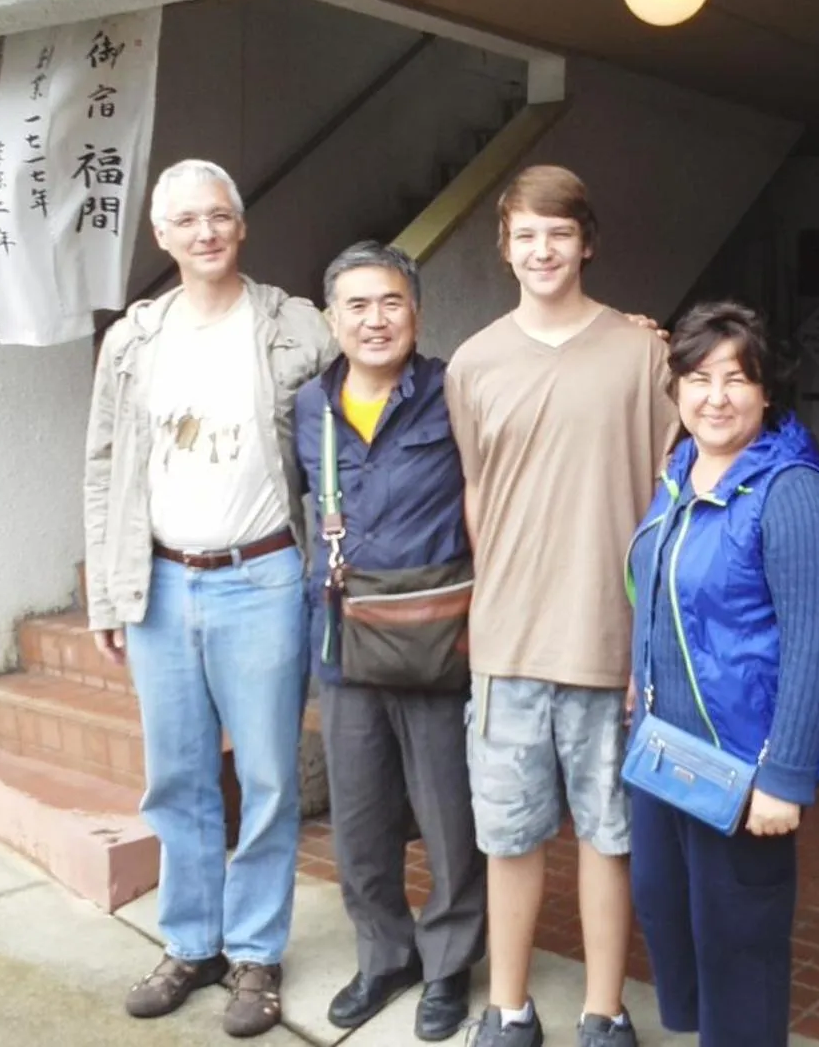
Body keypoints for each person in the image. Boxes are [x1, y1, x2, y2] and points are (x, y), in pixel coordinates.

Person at [83, 158, 337, 1039]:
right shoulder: (132, 339)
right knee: (178, 776)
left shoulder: (296, 326)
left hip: (263, 575)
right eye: (186, 221)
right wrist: (109, 592)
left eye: (219, 216)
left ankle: (256, 953)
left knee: (267, 777)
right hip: (159, 579)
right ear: (161, 236)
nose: (205, 233)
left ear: (241, 224)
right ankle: (191, 941)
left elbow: (379, 379)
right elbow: (103, 467)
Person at [444, 165, 680, 1047]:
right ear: (504, 248)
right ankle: (507, 1008)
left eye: (558, 232)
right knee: (507, 838)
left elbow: (669, 495)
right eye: (524, 235)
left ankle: (603, 1009)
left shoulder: (643, 354)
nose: (543, 250)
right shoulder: (473, 362)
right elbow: (477, 491)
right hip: (507, 644)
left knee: (608, 837)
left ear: (586, 240)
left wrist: (647, 641)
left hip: (607, 642)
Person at [625, 301, 819, 1046]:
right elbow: (656, 595)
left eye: (736, 379)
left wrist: (784, 775)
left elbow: (816, 644)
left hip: (742, 765)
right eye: (697, 378)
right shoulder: (680, 473)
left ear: (765, 392)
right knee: (671, 922)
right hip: (667, 756)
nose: (715, 396)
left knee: (739, 952)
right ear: (675, 390)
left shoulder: (791, 491)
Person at [293, 241, 484, 1042]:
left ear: (417, 310)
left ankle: (447, 966)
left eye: (390, 302)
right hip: (344, 638)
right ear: (332, 319)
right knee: (360, 815)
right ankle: (384, 955)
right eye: (357, 306)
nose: (375, 320)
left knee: (448, 815)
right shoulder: (308, 404)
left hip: (436, 634)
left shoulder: (456, 392)